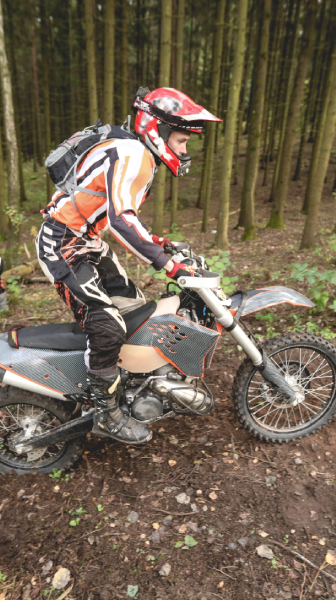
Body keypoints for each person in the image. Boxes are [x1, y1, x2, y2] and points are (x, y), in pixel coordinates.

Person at [36, 87, 220, 444]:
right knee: (106, 322)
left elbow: (117, 215)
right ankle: (105, 411)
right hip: (63, 245)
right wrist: (169, 266)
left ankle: (134, 384)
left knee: (137, 310)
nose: (184, 151)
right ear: (158, 129)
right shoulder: (131, 151)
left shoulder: (133, 151)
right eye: (181, 141)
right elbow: (122, 219)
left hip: (87, 242)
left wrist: (159, 245)